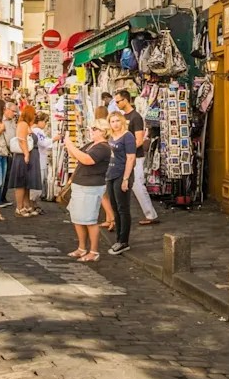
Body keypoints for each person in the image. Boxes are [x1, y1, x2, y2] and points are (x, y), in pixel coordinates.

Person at [60, 120, 111, 263]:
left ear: (103, 131)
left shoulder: (103, 148)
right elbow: (77, 156)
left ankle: (93, 251)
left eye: (94, 128)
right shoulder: (91, 144)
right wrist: (68, 144)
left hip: (91, 186)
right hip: (81, 183)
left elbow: (87, 160)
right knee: (78, 218)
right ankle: (82, 248)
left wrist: (70, 144)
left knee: (89, 219)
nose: (91, 130)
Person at [115, 90, 159, 226]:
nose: (116, 104)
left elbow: (139, 140)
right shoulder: (123, 117)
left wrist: (127, 150)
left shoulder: (136, 117)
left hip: (136, 156)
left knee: (137, 184)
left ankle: (150, 214)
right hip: (126, 156)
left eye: (118, 101)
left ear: (125, 100)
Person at [104, 111, 136, 256]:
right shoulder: (111, 136)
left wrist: (125, 179)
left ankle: (124, 241)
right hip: (110, 174)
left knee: (123, 208)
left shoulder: (127, 136)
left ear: (122, 121)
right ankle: (118, 238)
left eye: (117, 121)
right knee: (115, 208)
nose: (115, 124)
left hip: (122, 174)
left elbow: (131, 158)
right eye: (112, 121)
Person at [9, 106, 41, 218]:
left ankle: (26, 205)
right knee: (21, 182)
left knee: (27, 183)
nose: (35, 116)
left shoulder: (27, 125)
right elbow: (21, 140)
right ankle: (19, 207)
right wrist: (26, 154)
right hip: (23, 156)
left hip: (28, 156)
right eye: (34, 114)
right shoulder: (22, 124)